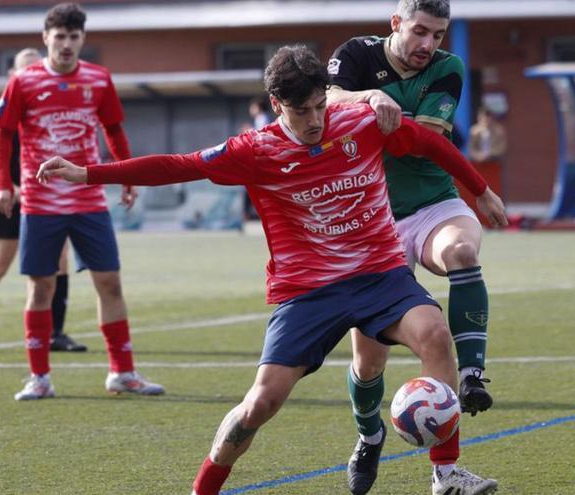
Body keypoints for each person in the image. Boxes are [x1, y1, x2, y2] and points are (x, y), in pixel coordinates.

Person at [37, 45, 506, 495]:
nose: (316, 120)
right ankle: (204, 489)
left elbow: (427, 142)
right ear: (277, 104)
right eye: (303, 111)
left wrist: (478, 190)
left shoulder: (360, 122)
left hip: (381, 274)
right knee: (260, 403)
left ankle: (446, 475)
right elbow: (177, 165)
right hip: (308, 293)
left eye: (321, 106)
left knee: (435, 336)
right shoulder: (255, 150)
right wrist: (88, 173)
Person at [327, 1, 500, 492]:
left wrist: (364, 111)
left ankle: (465, 398)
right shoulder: (356, 54)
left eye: (438, 35)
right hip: (371, 218)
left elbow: (418, 141)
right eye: (420, 31)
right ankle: (369, 434)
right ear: (396, 23)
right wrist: (366, 100)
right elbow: (325, 97)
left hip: (432, 203)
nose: (429, 45)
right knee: (368, 362)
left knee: (461, 257)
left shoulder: (449, 69)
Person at [0, 2, 164, 400]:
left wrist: (126, 173)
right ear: (45, 38)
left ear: (82, 39)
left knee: (110, 283)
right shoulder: (24, 81)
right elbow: (2, 133)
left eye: (74, 37)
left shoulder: (99, 80)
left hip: (88, 200)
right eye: (60, 37)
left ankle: (122, 372)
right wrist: (4, 181)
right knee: (41, 288)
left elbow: (114, 129)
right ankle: (40, 378)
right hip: (40, 202)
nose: (66, 44)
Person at [0, 47, 87, 353]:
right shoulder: (5, 105)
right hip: (11, 197)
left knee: (60, 260)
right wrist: (7, 186)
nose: (29, 75)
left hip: (45, 196)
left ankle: (56, 333)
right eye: (23, 70)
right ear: (13, 75)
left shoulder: (49, 104)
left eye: (34, 68)